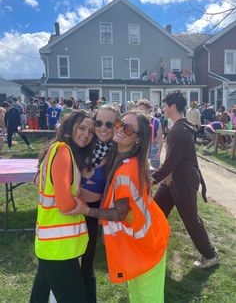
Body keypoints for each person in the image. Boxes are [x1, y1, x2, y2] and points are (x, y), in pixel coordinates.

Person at [68, 111, 170, 303]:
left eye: (128, 128)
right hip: (143, 242)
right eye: (120, 123)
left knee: (148, 298)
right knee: (139, 295)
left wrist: (87, 210)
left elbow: (120, 213)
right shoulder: (124, 158)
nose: (120, 129)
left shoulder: (126, 170)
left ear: (138, 139)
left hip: (150, 243)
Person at [30, 110, 95, 303]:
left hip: (51, 243)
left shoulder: (59, 151)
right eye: (82, 128)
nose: (86, 134)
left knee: (40, 296)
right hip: (60, 248)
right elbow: (65, 204)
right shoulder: (62, 151)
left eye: (91, 131)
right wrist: (82, 203)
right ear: (69, 127)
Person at [152, 91, 219, 269]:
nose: (163, 109)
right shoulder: (181, 127)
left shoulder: (179, 131)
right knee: (155, 213)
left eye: (164, 106)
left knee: (190, 219)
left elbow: (170, 164)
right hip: (171, 181)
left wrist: (150, 180)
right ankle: (152, 248)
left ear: (173, 106)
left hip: (183, 182)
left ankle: (210, 255)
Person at [79, 104, 119, 303]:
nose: (103, 128)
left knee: (86, 263)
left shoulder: (118, 154)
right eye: (99, 123)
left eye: (109, 124)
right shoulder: (84, 141)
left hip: (91, 214)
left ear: (116, 126)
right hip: (68, 210)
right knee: (66, 262)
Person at [137, 99, 163, 169]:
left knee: (154, 168)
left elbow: (160, 138)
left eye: (142, 109)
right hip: (142, 146)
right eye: (139, 110)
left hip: (153, 146)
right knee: (142, 168)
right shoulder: (137, 121)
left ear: (148, 109)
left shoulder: (156, 122)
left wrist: (159, 152)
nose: (140, 112)